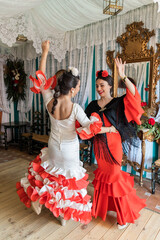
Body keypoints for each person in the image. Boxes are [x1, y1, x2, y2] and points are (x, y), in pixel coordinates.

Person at [16, 41, 107, 226]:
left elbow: (40, 77)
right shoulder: (75, 108)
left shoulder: (50, 101)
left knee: (52, 177)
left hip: (53, 147)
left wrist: (45, 51)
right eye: (79, 87)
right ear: (72, 89)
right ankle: (63, 216)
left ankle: (41, 199)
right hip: (69, 151)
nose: (79, 89)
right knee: (67, 183)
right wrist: (105, 127)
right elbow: (91, 127)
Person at [85, 58, 146, 229]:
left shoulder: (118, 102)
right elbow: (87, 124)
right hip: (99, 146)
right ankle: (100, 208)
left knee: (115, 177)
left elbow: (134, 94)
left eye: (102, 85)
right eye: (97, 86)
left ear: (110, 86)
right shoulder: (92, 105)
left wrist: (123, 74)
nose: (99, 89)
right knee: (103, 177)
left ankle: (123, 216)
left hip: (113, 145)